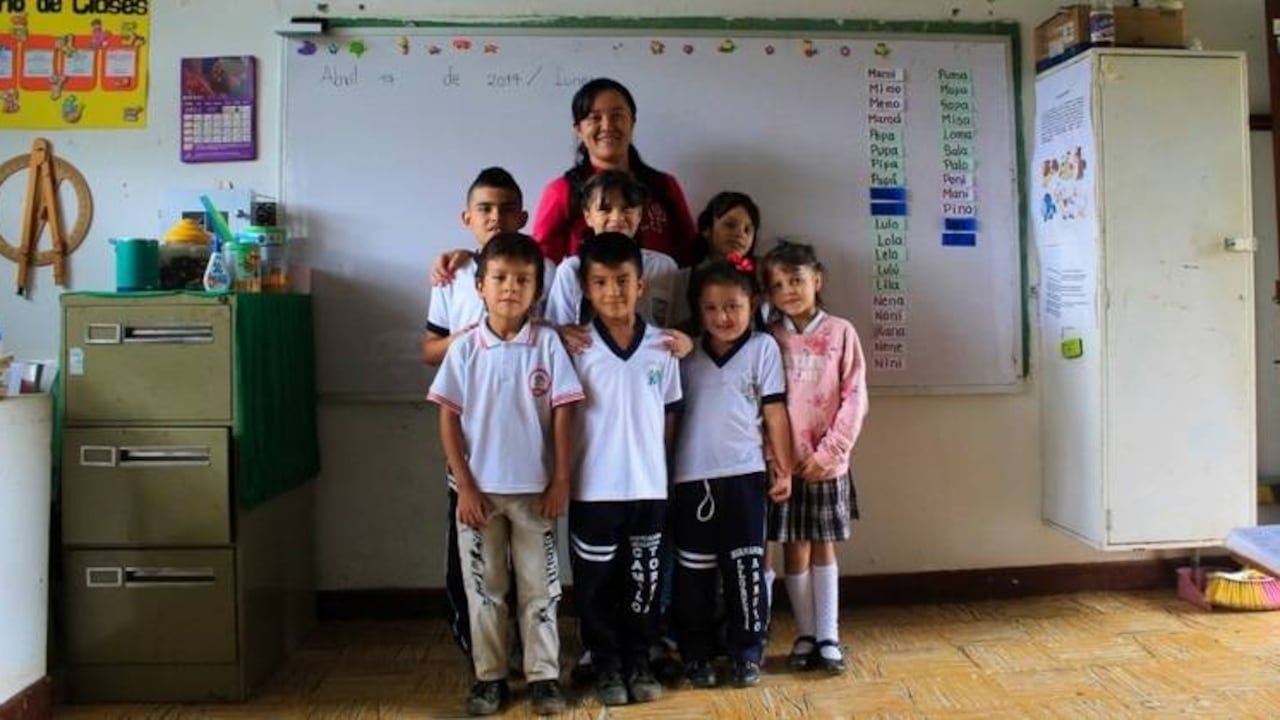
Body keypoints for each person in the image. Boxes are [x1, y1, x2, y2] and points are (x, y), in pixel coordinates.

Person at [427, 233, 583, 716]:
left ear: (538, 290)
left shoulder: (549, 344)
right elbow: (448, 418)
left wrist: (559, 479)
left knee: (541, 589)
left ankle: (543, 677)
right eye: (499, 278)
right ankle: (489, 677)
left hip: (535, 494)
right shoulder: (465, 349)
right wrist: (466, 486)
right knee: (485, 589)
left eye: (522, 280)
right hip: (478, 497)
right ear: (479, 286)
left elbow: (563, 412)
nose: (510, 288)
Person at [420, 167, 553, 665]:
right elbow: (428, 349)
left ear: (524, 216)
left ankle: (533, 657)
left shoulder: (542, 271)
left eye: (506, 209)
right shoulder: (452, 278)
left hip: (527, 454)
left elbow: (551, 335)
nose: (495, 218)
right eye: (484, 209)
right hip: (472, 452)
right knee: (475, 563)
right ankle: (482, 656)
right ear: (467, 217)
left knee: (532, 567)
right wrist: (479, 336)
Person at [567, 232, 682, 707]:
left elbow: (670, 411)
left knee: (644, 583)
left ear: (641, 285)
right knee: (595, 587)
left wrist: (659, 467)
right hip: (592, 489)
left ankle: (637, 659)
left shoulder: (664, 346)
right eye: (601, 282)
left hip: (648, 488)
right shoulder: (573, 346)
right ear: (586, 289)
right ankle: (607, 664)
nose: (613, 291)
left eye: (622, 281)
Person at [671, 258, 793, 688]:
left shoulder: (763, 348)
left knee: (746, 569)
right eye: (711, 309)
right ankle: (697, 654)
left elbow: (775, 412)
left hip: (745, 475)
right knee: (695, 576)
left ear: (752, 304)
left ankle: (746, 651)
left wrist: (783, 466)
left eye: (733, 307)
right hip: (691, 479)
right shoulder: (684, 354)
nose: (723, 317)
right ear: (698, 311)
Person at [760, 240, 869, 675]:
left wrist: (832, 452)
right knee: (793, 550)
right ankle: (804, 634)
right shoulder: (770, 338)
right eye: (779, 284)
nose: (790, 289)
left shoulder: (841, 332)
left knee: (823, 548)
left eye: (798, 279)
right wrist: (775, 458)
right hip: (785, 466)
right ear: (767, 293)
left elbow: (855, 398)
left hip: (826, 465)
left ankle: (829, 636)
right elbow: (763, 404)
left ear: (817, 279)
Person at [532, 77, 697, 266]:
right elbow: (540, 267)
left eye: (617, 115)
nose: (607, 126)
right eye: (595, 118)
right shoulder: (562, 191)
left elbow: (689, 254)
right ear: (578, 130)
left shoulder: (664, 185)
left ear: (632, 122)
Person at [545, 170, 686, 330]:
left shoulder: (664, 267)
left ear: (639, 215)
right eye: (605, 209)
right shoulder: (571, 270)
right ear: (588, 216)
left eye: (627, 209)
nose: (617, 217)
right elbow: (557, 330)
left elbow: (680, 325)